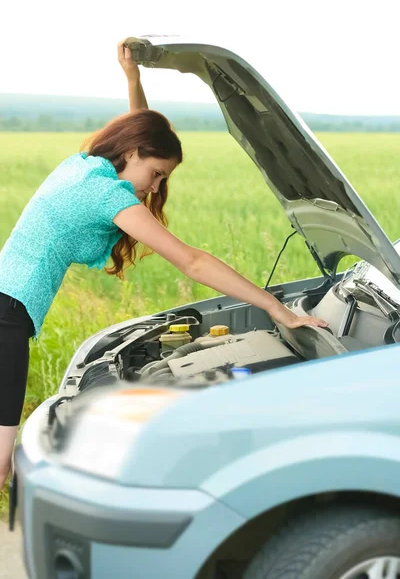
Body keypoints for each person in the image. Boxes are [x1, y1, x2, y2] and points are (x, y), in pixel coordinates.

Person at [0, 41, 327, 491]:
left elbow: (142, 135)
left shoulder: (87, 166)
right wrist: (278, 309)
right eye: (158, 174)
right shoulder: (107, 196)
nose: (156, 188)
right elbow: (192, 260)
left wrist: (134, 81)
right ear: (133, 153)